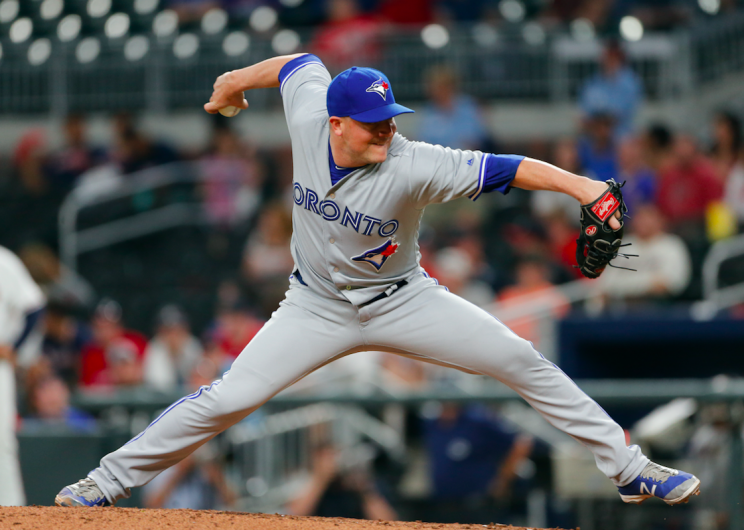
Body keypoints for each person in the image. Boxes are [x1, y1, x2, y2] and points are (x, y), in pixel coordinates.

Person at [56, 53, 700, 510]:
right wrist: (232, 80)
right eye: (375, 121)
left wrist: (584, 186)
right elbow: (296, 62)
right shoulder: (311, 113)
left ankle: (630, 468)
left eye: (392, 116)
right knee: (226, 399)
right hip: (313, 306)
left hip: (403, 300)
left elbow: (510, 168)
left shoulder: (413, 162)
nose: (388, 128)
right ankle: (104, 482)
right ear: (336, 124)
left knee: (520, 359)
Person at [0, 246, 45, 506]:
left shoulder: (3, 261)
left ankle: (11, 511)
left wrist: (14, 347)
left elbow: (35, 306)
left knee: (2, 441)